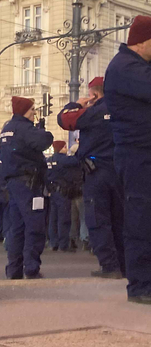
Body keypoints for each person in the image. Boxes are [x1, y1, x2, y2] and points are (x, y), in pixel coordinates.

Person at [104, 15, 151, 304]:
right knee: (140, 221)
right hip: (138, 156)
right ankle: (141, 287)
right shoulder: (125, 67)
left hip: (143, 154)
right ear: (144, 42)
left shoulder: (135, 66)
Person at [59, 77, 125, 279]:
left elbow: (64, 119)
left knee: (98, 219)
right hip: (120, 171)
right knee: (120, 220)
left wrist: (77, 104)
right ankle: (124, 265)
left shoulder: (92, 113)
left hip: (96, 173)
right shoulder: (124, 110)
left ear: (94, 94)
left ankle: (109, 266)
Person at [0, 96, 53, 279]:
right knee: (34, 226)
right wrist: (43, 131)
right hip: (30, 185)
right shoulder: (24, 128)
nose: (34, 114)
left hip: (13, 185)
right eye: (32, 111)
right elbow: (44, 141)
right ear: (24, 111)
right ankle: (31, 268)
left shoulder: (6, 129)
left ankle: (14, 269)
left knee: (17, 228)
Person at [45, 141, 80, 253]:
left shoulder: (49, 160)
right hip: (63, 192)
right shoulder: (65, 160)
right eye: (65, 147)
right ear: (61, 148)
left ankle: (53, 243)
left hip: (53, 191)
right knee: (63, 218)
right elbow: (78, 161)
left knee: (53, 218)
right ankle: (63, 244)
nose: (66, 149)